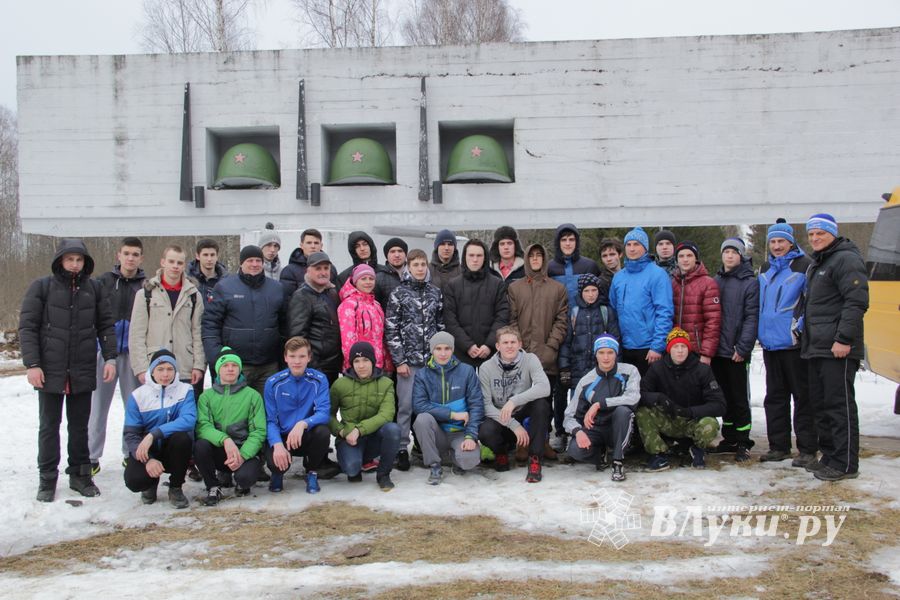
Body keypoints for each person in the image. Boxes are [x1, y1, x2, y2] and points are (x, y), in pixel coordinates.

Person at [20, 239, 116, 502]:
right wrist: (32, 364)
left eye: (79, 260)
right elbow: (28, 327)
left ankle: (80, 475)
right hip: (50, 370)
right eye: (70, 259)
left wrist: (110, 358)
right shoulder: (41, 287)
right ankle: (47, 478)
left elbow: (106, 326)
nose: (75, 264)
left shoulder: (94, 289)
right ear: (60, 261)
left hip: (82, 368)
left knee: (80, 426)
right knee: (49, 426)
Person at [801, 214, 869, 481]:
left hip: (837, 348)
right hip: (817, 347)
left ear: (833, 234)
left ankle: (845, 463)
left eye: (821, 233)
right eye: (811, 234)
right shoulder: (819, 263)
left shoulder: (846, 259)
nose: (815, 238)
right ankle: (830, 456)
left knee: (839, 406)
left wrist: (844, 339)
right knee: (822, 405)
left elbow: (856, 301)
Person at [757, 219, 817, 467]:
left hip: (793, 344)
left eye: (781, 241)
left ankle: (807, 449)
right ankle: (778, 447)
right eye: (773, 241)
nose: (777, 246)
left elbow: (810, 302)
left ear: (791, 242)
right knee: (775, 397)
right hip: (770, 344)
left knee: (802, 397)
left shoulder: (805, 265)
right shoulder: (765, 268)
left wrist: (799, 328)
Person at [88, 237, 146, 475]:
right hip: (105, 352)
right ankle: (91, 456)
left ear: (141, 258)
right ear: (118, 255)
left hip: (133, 354)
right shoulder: (103, 282)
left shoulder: (146, 286)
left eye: (135, 254)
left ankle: (129, 451)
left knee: (133, 406)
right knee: (97, 406)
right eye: (127, 253)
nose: (130, 258)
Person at [385, 249, 444, 470]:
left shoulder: (435, 293)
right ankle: (401, 448)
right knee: (405, 407)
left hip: (430, 363)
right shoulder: (398, 293)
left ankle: (426, 445)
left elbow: (440, 326)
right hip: (408, 363)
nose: (420, 268)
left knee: (429, 407)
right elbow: (391, 329)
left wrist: (440, 357)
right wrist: (399, 360)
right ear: (409, 267)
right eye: (415, 264)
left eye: (423, 264)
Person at [507, 243, 568, 457]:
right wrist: (518, 349)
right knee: (522, 401)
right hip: (521, 356)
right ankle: (523, 442)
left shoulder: (557, 288)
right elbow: (512, 320)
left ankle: (543, 440)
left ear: (544, 259)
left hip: (546, 355)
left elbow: (561, 321)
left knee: (544, 402)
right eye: (531, 255)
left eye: (539, 255)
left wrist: (551, 347)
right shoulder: (515, 288)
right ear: (526, 259)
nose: (535, 259)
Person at [636, 328, 726, 471]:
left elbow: (719, 405)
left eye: (683, 346)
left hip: (692, 420)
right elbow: (640, 394)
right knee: (642, 412)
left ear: (688, 349)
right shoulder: (657, 368)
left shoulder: (702, 370)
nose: (680, 351)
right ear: (669, 349)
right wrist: (658, 398)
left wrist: (690, 411)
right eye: (675, 346)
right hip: (668, 419)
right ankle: (657, 454)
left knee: (710, 424)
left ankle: (696, 449)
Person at [202, 245, 287, 395]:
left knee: (266, 406)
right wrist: (217, 357)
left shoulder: (276, 289)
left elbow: (284, 325)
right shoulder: (224, 287)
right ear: (241, 263)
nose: (254, 264)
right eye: (250, 260)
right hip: (235, 365)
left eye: (258, 261)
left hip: (268, 365)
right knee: (237, 407)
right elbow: (210, 325)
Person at [129, 245, 206, 399]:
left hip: (184, 366)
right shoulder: (145, 294)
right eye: (171, 261)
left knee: (185, 411)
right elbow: (137, 334)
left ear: (184, 265)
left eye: (179, 263)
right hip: (155, 366)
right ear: (163, 262)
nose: (175, 266)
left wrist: (199, 365)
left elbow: (198, 332)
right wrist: (141, 368)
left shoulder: (193, 295)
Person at [122, 349, 196, 509]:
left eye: (170, 369)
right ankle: (149, 484)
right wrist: (148, 459)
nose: (165, 374)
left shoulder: (185, 390)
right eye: (160, 369)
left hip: (172, 449)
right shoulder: (138, 396)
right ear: (152, 371)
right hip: (147, 450)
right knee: (135, 481)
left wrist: (154, 434)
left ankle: (176, 487)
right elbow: (131, 434)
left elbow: (188, 420)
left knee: (183, 439)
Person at [194, 347, 267, 506]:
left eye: (234, 365)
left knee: (245, 478)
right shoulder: (206, 397)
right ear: (218, 370)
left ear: (239, 369)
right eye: (225, 365)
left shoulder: (252, 396)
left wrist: (243, 455)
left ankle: (241, 481)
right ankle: (213, 486)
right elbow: (203, 427)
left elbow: (259, 431)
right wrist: (225, 440)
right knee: (200, 446)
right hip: (220, 449)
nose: (230, 369)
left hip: (243, 451)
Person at [478, 327, 552, 482]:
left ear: (520, 344)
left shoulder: (530, 359)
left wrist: (514, 401)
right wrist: (514, 425)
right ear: (497, 346)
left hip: (522, 412)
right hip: (501, 417)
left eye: (513, 342)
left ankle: (534, 459)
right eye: (505, 343)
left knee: (541, 405)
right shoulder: (486, 367)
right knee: (485, 431)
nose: (509, 346)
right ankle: (501, 452)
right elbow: (486, 405)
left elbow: (544, 387)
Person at [563, 335, 641, 482]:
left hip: (619, 426)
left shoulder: (629, 371)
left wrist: (599, 404)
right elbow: (569, 416)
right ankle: (600, 454)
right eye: (601, 352)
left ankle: (618, 461)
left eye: (610, 352)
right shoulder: (586, 381)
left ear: (616, 354)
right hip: (596, 428)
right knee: (574, 450)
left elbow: (633, 398)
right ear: (596, 354)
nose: (606, 357)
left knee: (623, 411)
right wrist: (578, 431)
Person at [710, 238, 759, 462]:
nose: (729, 256)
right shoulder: (716, 280)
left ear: (741, 255)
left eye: (734, 252)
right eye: (726, 252)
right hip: (717, 351)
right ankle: (729, 438)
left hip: (736, 351)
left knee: (739, 397)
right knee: (724, 396)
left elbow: (751, 317)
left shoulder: (749, 282)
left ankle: (743, 440)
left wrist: (743, 346)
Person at [412, 332, 485, 484]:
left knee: (469, 461)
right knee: (422, 419)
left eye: (447, 348)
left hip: (460, 432)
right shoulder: (422, 375)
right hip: (438, 432)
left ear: (453, 350)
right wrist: (452, 414)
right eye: (438, 349)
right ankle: (434, 464)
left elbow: (476, 405)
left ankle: (455, 458)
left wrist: (471, 436)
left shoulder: (467, 371)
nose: (443, 353)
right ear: (432, 350)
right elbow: (419, 405)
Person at [264, 337, 332, 494]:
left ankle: (312, 471)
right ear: (285, 357)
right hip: (282, 437)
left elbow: (324, 413)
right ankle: (277, 473)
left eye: (302, 356)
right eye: (292, 356)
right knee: (276, 463)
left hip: (305, 435)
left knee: (323, 432)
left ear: (309, 357)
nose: (297, 361)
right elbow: (270, 420)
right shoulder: (273, 383)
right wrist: (277, 444)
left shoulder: (319, 380)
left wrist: (303, 424)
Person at [329, 341, 400, 491]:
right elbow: (329, 415)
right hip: (349, 438)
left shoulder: (386, 383)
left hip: (374, 437)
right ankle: (354, 461)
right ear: (351, 363)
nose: (361, 365)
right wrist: (341, 431)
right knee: (352, 470)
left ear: (373, 361)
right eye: (356, 361)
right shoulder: (339, 385)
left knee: (393, 429)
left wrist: (360, 430)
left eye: (365, 360)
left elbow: (387, 414)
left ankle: (383, 474)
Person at [608, 227, 673, 375]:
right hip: (625, 347)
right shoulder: (619, 277)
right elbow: (613, 309)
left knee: (648, 388)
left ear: (645, 247)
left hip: (649, 348)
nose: (632, 249)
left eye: (636, 244)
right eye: (628, 244)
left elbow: (664, 312)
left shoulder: (657, 275)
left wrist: (657, 346)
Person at [443, 239, 509, 368]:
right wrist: (467, 345)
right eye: (471, 255)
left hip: (491, 355)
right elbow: (450, 320)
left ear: (485, 258)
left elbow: (502, 316)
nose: (475, 259)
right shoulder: (452, 285)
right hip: (461, 354)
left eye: (479, 255)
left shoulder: (497, 284)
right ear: (465, 257)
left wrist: (489, 344)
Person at [559, 273, 621, 393]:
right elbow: (566, 344)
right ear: (581, 292)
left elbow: (616, 343)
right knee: (577, 402)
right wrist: (564, 368)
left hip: (602, 370)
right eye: (586, 291)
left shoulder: (606, 312)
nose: (591, 294)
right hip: (578, 370)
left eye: (594, 290)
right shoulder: (574, 313)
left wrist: (616, 367)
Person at [288, 251, 343, 384]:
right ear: (308, 271)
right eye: (318, 268)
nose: (323, 272)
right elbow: (298, 336)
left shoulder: (332, 292)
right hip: (315, 367)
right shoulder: (302, 296)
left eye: (326, 268)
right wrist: (311, 364)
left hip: (332, 365)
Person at [671, 240, 721, 365]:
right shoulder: (673, 283)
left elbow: (713, 321)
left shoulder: (708, 283)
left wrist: (706, 353)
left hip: (697, 350)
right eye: (681, 256)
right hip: (675, 348)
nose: (685, 259)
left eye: (689, 255)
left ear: (696, 258)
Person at [338, 264, 393, 373]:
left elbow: (381, 337)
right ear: (355, 281)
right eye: (363, 279)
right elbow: (348, 340)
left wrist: (387, 362)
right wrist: (353, 365)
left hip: (378, 364)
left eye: (371, 279)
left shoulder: (376, 305)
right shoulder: (349, 305)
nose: (368, 282)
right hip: (360, 366)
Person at [280, 228, 338, 296]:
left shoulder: (331, 269)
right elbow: (288, 299)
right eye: (309, 243)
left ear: (321, 246)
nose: (313, 246)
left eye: (316, 243)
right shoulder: (289, 271)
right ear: (301, 245)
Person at [188, 238, 228, 307]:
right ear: (197, 256)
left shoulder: (226, 281)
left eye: (212, 255)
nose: (209, 259)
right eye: (205, 255)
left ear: (217, 256)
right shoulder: (188, 279)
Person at [377, 237, 408, 310]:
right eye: (392, 251)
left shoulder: (414, 274)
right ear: (386, 255)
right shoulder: (379, 278)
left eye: (400, 251)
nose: (397, 255)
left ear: (405, 254)